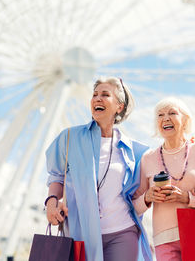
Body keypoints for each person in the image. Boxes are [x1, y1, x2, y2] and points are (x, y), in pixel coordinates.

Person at [45, 77, 152, 261]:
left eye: (105, 95)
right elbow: (57, 176)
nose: (97, 99)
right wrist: (51, 202)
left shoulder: (136, 151)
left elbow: (138, 194)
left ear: (119, 106)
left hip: (123, 232)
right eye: (94, 95)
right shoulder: (69, 138)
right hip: (81, 234)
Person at [133, 97, 195, 261]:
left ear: (185, 120)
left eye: (172, 113)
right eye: (160, 115)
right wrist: (147, 198)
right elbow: (134, 207)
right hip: (163, 239)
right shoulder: (147, 159)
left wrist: (187, 198)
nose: (166, 118)